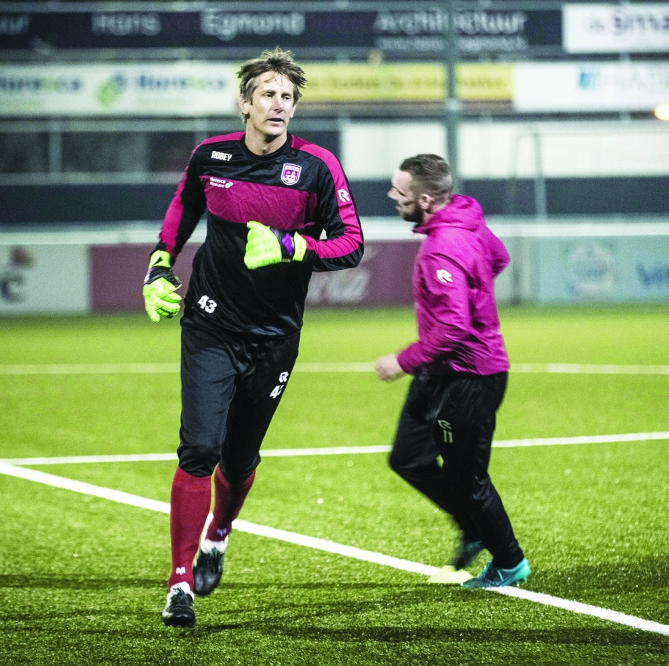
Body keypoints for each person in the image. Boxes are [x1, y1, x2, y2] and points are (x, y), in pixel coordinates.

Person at [143, 48, 363, 627]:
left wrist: (293, 246)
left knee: (239, 461)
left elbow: (351, 244)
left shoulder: (316, 168)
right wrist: (159, 265)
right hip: (210, 325)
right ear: (245, 103)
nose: (279, 104)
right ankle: (179, 582)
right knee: (199, 449)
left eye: (288, 97)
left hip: (274, 337)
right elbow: (183, 208)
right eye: (268, 94)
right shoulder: (210, 157)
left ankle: (219, 532)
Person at [374, 154, 528, 590]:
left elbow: (454, 327)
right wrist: (474, 285)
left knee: (468, 479)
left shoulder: (441, 247)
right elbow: (498, 258)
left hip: (469, 376)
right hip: (441, 371)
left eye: (399, 191)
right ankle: (474, 527)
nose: (392, 196)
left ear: (424, 200)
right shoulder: (469, 221)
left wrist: (401, 361)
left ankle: (509, 562)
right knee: (408, 458)